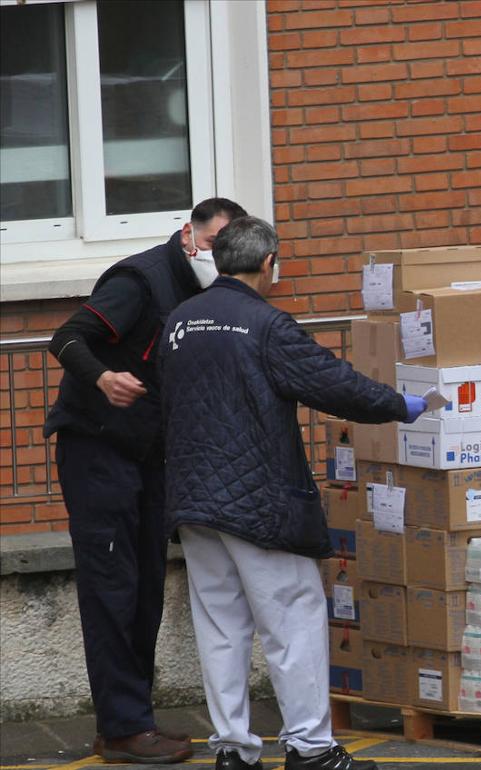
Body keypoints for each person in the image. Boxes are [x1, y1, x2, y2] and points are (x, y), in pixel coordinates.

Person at [159, 216, 427, 770]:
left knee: (221, 627)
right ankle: (310, 748)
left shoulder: (181, 321)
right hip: (260, 500)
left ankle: (233, 749)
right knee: (293, 619)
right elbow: (333, 384)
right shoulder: (266, 324)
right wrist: (400, 405)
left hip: (193, 497)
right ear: (267, 265)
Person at [46, 197, 247, 764]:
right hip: (98, 447)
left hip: (148, 454)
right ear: (188, 236)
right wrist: (104, 378)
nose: (219, 258)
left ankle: (130, 722)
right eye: (213, 245)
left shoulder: (213, 295)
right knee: (113, 588)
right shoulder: (141, 280)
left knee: (144, 592)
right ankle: (124, 728)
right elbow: (66, 337)